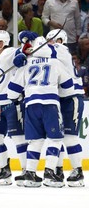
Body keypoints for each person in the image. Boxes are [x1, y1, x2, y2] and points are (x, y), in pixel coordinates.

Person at [7, 36, 75, 188]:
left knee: (35, 141)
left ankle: (30, 174)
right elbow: (69, 87)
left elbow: (11, 92)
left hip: (31, 105)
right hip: (50, 104)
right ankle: (49, 173)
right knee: (55, 140)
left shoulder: (26, 63)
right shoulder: (55, 62)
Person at [43, 29, 85, 187]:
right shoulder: (51, 51)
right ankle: (58, 169)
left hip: (72, 97)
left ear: (63, 40)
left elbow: (46, 51)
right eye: (49, 40)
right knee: (56, 137)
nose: (51, 42)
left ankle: (78, 171)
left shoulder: (62, 51)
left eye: (55, 40)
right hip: (58, 98)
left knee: (69, 137)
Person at [0, 30, 28, 186]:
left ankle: (26, 171)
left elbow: (26, 51)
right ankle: (4, 171)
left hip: (13, 103)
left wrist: (21, 58)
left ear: (1, 43)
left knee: (19, 138)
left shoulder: (10, 52)